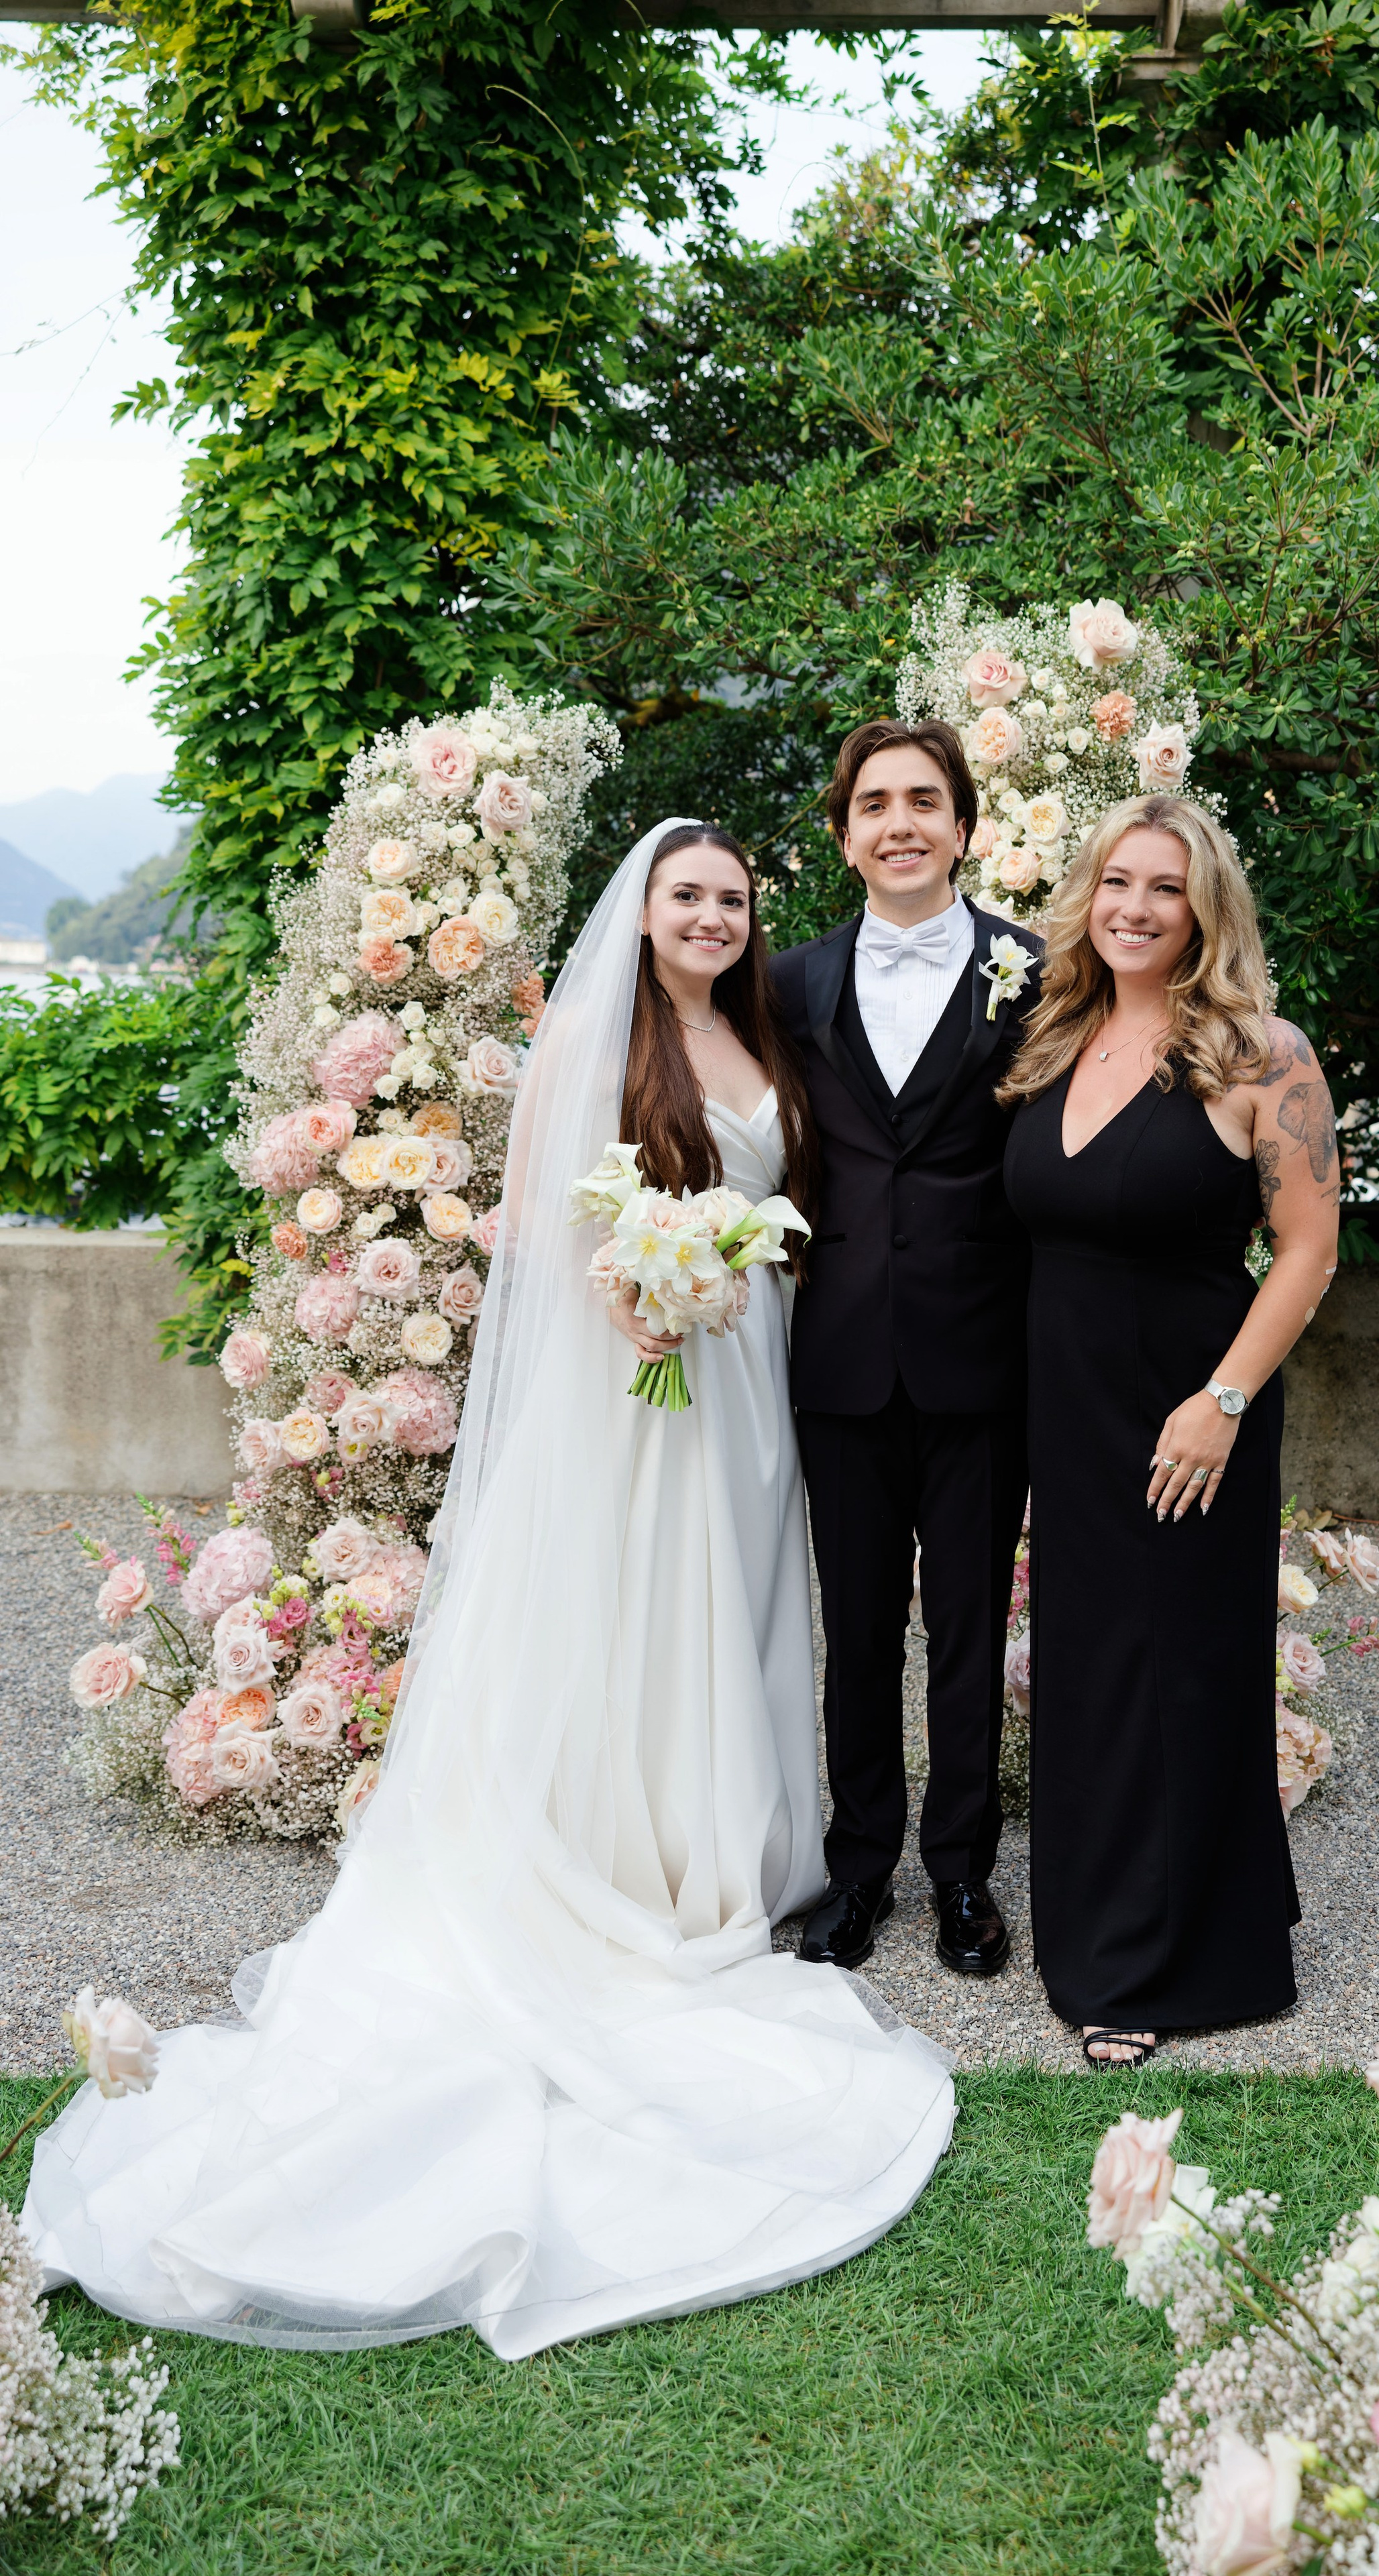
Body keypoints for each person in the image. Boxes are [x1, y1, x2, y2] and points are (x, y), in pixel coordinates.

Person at [23, 819, 956, 2358]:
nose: (710, 917)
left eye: (730, 898)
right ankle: (624, 1862)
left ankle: (720, 1850)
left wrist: (720, 1283)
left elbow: (800, 1218)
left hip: (747, 1383)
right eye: (685, 897)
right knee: (632, 1613)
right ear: (644, 914)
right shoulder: (602, 1036)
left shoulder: (768, 1036)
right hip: (634, 1386)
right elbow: (538, 1232)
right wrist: (640, 1290)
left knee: (734, 1608)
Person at [999, 794, 1339, 2066]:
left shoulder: (1262, 1052)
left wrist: (1224, 1402)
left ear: (1207, 911)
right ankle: (1104, 1924)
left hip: (1192, 1410)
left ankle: (1168, 1963)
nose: (1136, 907)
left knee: (1180, 1673)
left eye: (1167, 888)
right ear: (1089, 896)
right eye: (1118, 882)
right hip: (1065, 1411)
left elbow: (1308, 1253)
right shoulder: (1053, 1035)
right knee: (1091, 1673)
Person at [772, 722, 1042, 1981]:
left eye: (924, 801)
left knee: (970, 1627)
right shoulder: (790, 984)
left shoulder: (1039, 973)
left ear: (965, 826)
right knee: (861, 1622)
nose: (900, 823)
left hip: (986, 1359)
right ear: (843, 835)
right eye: (874, 803)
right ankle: (861, 1862)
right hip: (835, 1360)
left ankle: (964, 1871)